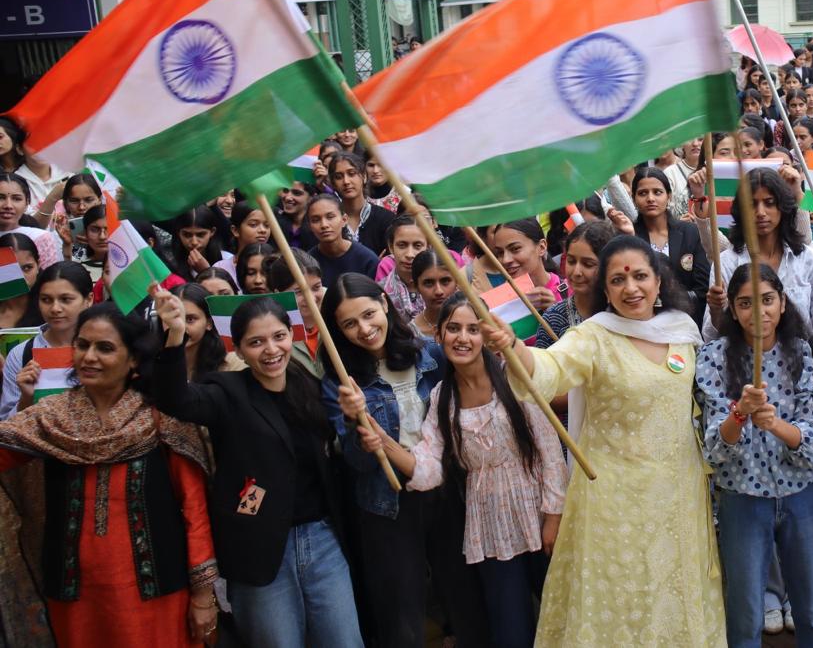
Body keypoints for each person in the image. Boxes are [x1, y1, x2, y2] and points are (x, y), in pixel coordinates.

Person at [487, 235, 725, 645]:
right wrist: (512, 347)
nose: (631, 288)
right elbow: (548, 370)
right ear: (606, 289)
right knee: (622, 595)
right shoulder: (593, 337)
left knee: (674, 589)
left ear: (658, 280)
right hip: (615, 499)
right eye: (618, 280)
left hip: (679, 492)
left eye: (640, 276)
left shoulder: (682, 331)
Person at [339, 291, 568, 647]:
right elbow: (429, 468)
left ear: (486, 335)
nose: (463, 338)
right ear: (439, 335)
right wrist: (383, 441)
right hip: (490, 527)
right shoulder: (441, 398)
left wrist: (553, 515)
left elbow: (549, 450)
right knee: (511, 631)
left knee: (564, 618)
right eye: (453, 329)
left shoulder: (513, 376)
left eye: (473, 329)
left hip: (537, 513)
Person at [150, 288, 365, 648]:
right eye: (256, 342)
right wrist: (174, 335)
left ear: (291, 335)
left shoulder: (310, 386)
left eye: (279, 336)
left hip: (322, 539)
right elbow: (176, 400)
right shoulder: (226, 391)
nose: (271, 349)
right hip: (258, 548)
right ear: (237, 349)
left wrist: (353, 417)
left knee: (344, 641)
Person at [0, 302, 218, 647]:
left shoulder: (162, 419)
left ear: (133, 360)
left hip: (157, 592)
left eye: (104, 348)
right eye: (82, 345)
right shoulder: (50, 419)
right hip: (74, 594)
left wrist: (203, 594)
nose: (89, 357)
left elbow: (195, 509)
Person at [318, 273, 489, 648]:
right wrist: (355, 424)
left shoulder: (430, 354)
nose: (364, 329)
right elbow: (359, 465)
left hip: (445, 492)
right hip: (387, 503)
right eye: (349, 324)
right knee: (401, 614)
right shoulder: (341, 382)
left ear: (384, 302)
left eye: (368, 314)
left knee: (464, 599)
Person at [696, 263, 813, 647]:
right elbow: (714, 450)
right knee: (745, 614)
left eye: (767, 300)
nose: (759, 312)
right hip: (742, 498)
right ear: (733, 310)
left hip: (799, 493)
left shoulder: (800, 352)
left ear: (783, 303)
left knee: (811, 608)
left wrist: (775, 425)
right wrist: (740, 414)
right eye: (745, 303)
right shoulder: (714, 357)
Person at [705, 167, 813, 339]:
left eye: (769, 203)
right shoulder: (726, 262)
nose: (761, 213)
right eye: (752, 204)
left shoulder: (810, 260)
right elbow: (711, 337)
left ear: (782, 207)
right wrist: (716, 310)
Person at [0, 262, 93, 419]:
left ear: (88, 300)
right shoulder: (21, 354)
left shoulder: (106, 351)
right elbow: (6, 425)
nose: (55, 308)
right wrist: (26, 397)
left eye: (66, 299)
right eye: (46, 300)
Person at [625, 167, 710, 320]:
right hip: (642, 321)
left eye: (657, 192)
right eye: (643, 193)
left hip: (686, 319)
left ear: (669, 196)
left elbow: (703, 288)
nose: (650, 198)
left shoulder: (689, 232)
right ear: (634, 198)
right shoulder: (630, 237)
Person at [328, 152, 395, 254]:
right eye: (339, 177)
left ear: (364, 177)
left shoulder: (386, 219)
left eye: (352, 174)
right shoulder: (329, 222)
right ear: (333, 183)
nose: (346, 181)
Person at [306, 194, 380, 285]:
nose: (324, 225)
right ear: (310, 226)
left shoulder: (367, 260)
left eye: (330, 217)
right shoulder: (307, 264)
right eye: (316, 220)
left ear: (344, 220)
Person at [380, 215, 428, 320]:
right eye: (402, 245)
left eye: (417, 246)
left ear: (428, 247)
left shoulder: (442, 289)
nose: (410, 254)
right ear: (391, 247)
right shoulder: (380, 292)